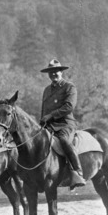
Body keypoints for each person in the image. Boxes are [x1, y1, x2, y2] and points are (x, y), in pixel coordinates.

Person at [39, 59, 86, 190]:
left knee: (64, 141)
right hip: (49, 126)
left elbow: (69, 106)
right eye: (50, 72)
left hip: (65, 124)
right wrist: (42, 121)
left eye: (56, 71)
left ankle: (77, 172)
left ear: (61, 72)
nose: (53, 74)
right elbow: (44, 110)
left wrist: (51, 116)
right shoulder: (47, 90)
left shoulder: (69, 87)